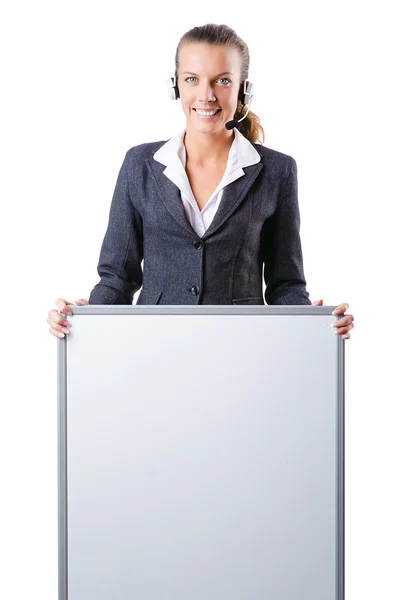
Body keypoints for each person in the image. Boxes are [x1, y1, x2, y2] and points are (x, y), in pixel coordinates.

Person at [47, 23, 354, 340]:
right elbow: (116, 278)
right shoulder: (139, 164)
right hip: (150, 346)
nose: (206, 95)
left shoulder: (277, 171)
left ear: (243, 89)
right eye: (192, 79)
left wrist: (314, 322)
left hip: (243, 345)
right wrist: (85, 318)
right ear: (175, 86)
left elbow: (286, 283)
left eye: (222, 81)